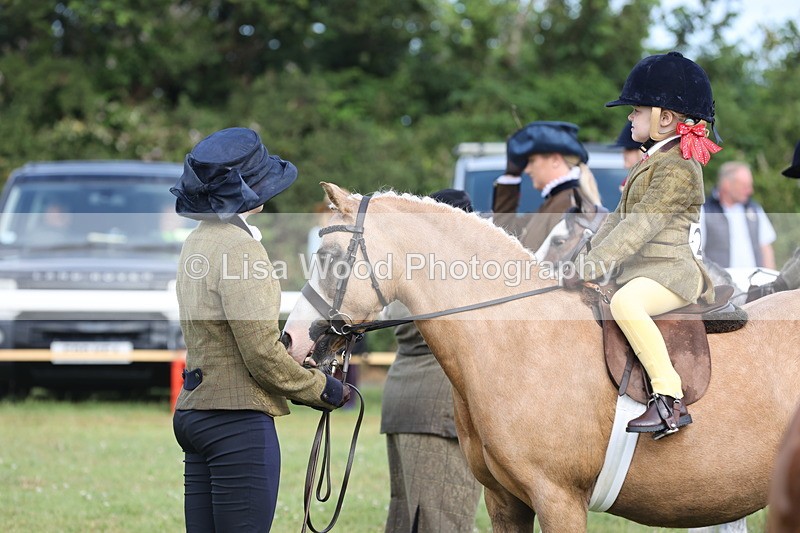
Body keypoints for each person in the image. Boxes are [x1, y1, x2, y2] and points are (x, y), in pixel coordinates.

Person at [169, 127, 350, 532]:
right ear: (250, 192)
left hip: (195, 412)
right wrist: (322, 389)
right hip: (235, 422)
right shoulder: (241, 249)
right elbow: (260, 355)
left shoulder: (197, 242)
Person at [574, 51, 721, 439]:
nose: (630, 117)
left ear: (665, 118)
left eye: (637, 109)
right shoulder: (649, 161)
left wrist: (593, 266)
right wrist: (584, 259)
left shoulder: (679, 167)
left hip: (669, 273)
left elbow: (639, 227)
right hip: (643, 270)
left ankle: (668, 399)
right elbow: (616, 220)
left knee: (626, 304)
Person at [381, 188, 483, 533]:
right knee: (442, 520)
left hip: (404, 400)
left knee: (407, 517)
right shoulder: (448, 276)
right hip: (438, 409)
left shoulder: (414, 270)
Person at [492, 121, 599, 251]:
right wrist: (510, 177)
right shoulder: (557, 202)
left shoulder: (568, 204)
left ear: (555, 160)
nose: (527, 169)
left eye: (531, 161)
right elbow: (505, 236)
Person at [701, 161, 777, 269]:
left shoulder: (754, 208)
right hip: (720, 284)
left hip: (755, 283)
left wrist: (772, 280)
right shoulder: (704, 210)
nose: (750, 191)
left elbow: (766, 248)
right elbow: (697, 252)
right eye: (745, 186)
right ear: (727, 184)